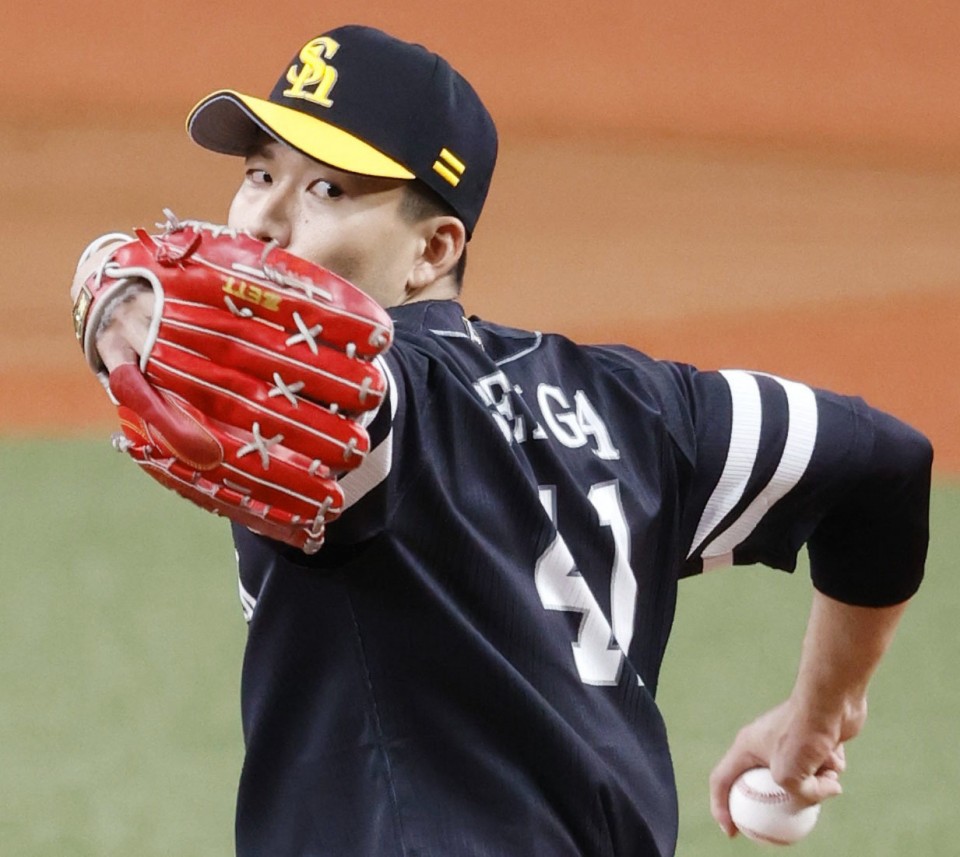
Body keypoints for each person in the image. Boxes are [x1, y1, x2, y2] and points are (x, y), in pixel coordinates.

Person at [72, 24, 932, 857]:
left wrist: (129, 305)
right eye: (260, 174)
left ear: (432, 250)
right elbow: (885, 465)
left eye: (326, 190)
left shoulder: (375, 401)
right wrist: (820, 712)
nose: (263, 221)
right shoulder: (639, 407)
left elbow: (363, 411)